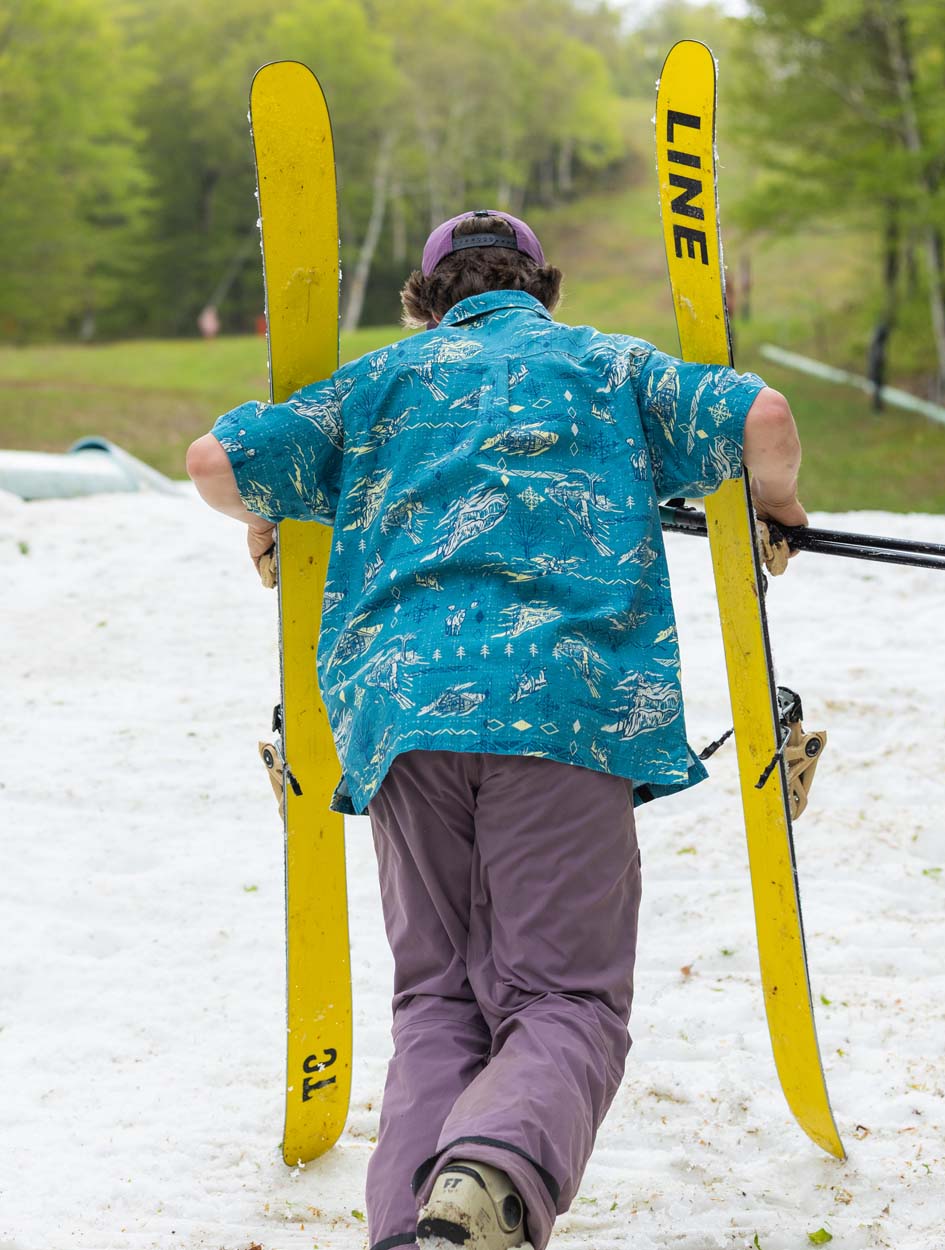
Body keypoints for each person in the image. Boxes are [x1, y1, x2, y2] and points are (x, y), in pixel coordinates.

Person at [187, 210, 807, 1250]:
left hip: (401, 717)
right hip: (563, 712)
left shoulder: (376, 385)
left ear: (425, 300)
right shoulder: (607, 367)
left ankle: (414, 1232)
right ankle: (489, 1176)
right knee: (562, 996)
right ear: (541, 286)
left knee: (437, 1000)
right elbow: (766, 420)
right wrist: (778, 511)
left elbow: (215, 460)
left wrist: (268, 512)